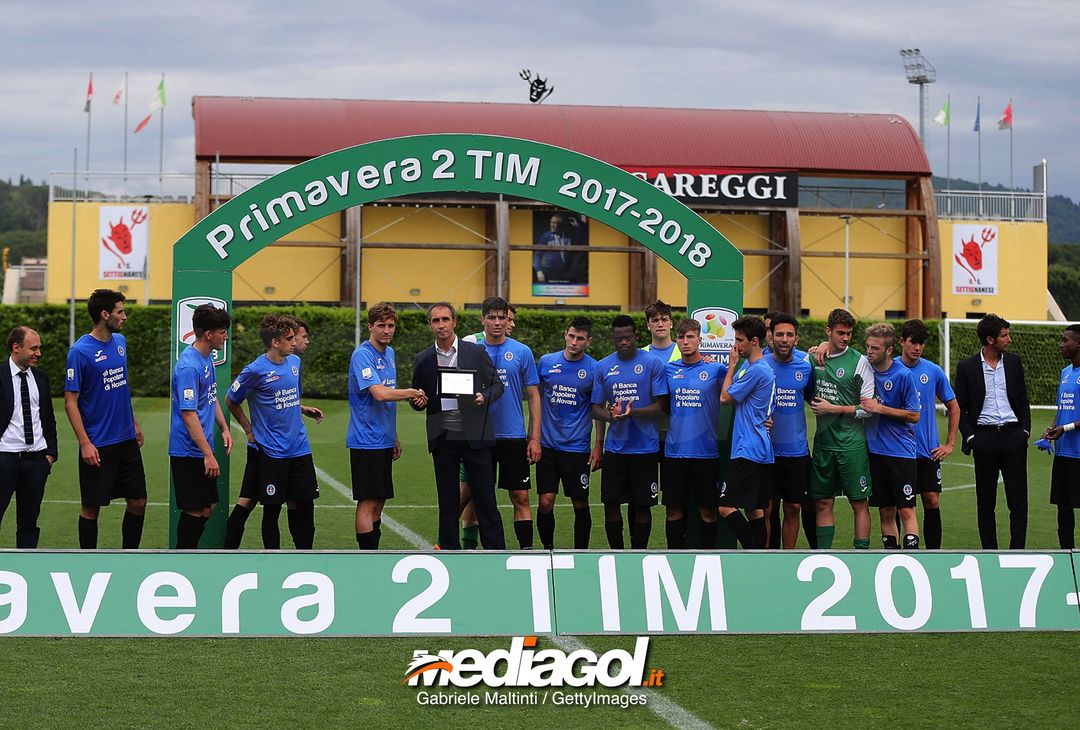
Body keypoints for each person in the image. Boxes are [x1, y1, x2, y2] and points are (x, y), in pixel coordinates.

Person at [411, 302, 506, 550]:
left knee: (485, 497)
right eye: (435, 321)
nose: (441, 325)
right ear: (430, 325)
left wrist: (484, 397)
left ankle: (497, 553)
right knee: (448, 500)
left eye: (445, 319)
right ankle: (451, 554)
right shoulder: (422, 359)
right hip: (443, 433)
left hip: (475, 432)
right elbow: (418, 399)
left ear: (454, 322)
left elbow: (497, 385)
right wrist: (418, 402)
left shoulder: (475, 351)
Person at [226, 314, 320, 550]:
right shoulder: (255, 370)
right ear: (275, 342)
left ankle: (306, 558)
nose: (294, 342)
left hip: (299, 448)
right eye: (289, 338)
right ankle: (273, 561)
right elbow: (230, 400)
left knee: (305, 506)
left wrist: (303, 409)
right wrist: (248, 429)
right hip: (272, 452)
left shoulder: (295, 363)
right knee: (272, 509)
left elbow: (288, 399)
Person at [65, 289, 146, 550]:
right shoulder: (79, 352)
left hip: (126, 440)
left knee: (138, 501)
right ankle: (89, 561)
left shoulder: (120, 342)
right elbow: (70, 402)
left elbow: (121, 386)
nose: (124, 316)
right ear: (104, 314)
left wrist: (133, 423)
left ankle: (128, 557)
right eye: (120, 311)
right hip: (98, 444)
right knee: (91, 508)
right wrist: (85, 443)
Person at [348, 303, 424, 549]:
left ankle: (373, 554)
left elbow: (387, 398)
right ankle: (367, 555)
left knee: (379, 500)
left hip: (383, 438)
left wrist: (394, 436)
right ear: (370, 326)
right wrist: (411, 392)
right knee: (368, 502)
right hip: (365, 439)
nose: (386, 330)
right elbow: (380, 394)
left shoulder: (389, 354)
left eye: (391, 325)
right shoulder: (363, 355)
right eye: (381, 325)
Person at [591, 315, 668, 549]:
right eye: (618, 338)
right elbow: (595, 408)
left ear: (636, 336)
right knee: (611, 504)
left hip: (645, 449)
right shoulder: (603, 366)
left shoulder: (653, 363)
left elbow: (663, 406)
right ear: (613, 339)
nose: (623, 342)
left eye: (627, 337)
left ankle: (638, 554)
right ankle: (617, 553)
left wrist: (633, 413)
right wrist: (611, 417)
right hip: (615, 449)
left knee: (642, 506)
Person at [954, 313, 1031, 549]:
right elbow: (960, 408)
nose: (1009, 339)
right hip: (984, 439)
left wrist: (1025, 431)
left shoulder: (1014, 362)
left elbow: (1022, 399)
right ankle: (990, 552)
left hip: (1013, 437)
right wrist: (971, 437)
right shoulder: (966, 367)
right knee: (986, 502)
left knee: (1018, 501)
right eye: (1004, 336)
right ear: (990, 339)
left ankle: (1017, 551)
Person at [806, 308, 875, 550]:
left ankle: (861, 555)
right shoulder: (813, 360)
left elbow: (868, 408)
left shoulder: (859, 362)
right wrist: (818, 347)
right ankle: (824, 555)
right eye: (840, 333)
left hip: (851, 446)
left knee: (859, 503)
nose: (845, 338)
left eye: (848, 334)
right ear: (829, 332)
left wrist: (832, 408)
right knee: (823, 503)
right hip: (824, 445)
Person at [536, 316, 604, 549]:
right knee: (545, 502)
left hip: (576, 448)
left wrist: (598, 445)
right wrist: (532, 438)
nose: (574, 342)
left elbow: (598, 409)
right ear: (566, 334)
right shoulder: (546, 362)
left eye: (580, 339)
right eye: (572, 336)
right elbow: (536, 401)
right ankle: (548, 551)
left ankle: (580, 553)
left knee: (580, 502)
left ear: (588, 341)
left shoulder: (595, 368)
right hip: (547, 445)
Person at [169, 305, 233, 549]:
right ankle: (183, 558)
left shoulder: (206, 358)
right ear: (208, 334)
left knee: (208, 506)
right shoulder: (188, 366)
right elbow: (188, 413)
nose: (225, 336)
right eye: (222, 332)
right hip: (188, 450)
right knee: (195, 509)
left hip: (202, 447)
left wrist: (224, 427)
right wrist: (207, 454)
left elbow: (210, 395)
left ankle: (188, 552)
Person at [897, 319, 960, 549]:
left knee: (931, 500)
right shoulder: (889, 368)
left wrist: (950, 444)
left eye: (921, 343)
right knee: (900, 504)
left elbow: (954, 406)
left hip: (928, 451)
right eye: (913, 342)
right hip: (898, 452)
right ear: (902, 341)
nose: (918, 348)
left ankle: (934, 555)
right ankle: (893, 552)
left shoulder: (932, 371)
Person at [664, 318, 726, 548]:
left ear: (700, 339)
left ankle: (707, 557)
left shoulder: (716, 369)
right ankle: (674, 557)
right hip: (674, 452)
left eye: (690, 337)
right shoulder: (669, 370)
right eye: (681, 337)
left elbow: (738, 393)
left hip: (706, 453)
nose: (685, 341)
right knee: (673, 510)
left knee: (708, 510)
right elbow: (662, 404)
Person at [862, 323, 921, 550]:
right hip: (875, 452)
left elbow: (914, 415)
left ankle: (912, 557)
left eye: (875, 348)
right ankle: (891, 557)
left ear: (888, 351)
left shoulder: (903, 375)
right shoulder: (865, 368)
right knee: (885, 511)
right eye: (868, 347)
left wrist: (880, 409)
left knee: (906, 510)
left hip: (901, 453)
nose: (869, 352)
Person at [718, 316, 775, 549]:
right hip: (759, 448)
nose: (735, 345)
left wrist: (731, 367)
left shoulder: (756, 370)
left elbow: (725, 398)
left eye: (739, 340)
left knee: (725, 506)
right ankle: (759, 555)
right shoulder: (756, 368)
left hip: (749, 449)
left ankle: (752, 554)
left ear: (754, 341)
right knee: (754, 510)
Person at [0, 327, 57, 548]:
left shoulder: (41, 378)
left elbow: (49, 418)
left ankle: (27, 568)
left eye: (39, 348)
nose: (39, 353)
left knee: (29, 522)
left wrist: (50, 454)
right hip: (5, 459)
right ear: (16, 348)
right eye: (33, 348)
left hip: (36, 461)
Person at [763, 313, 816, 549]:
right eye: (779, 334)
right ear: (771, 337)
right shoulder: (760, 365)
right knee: (766, 507)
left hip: (796, 452)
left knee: (794, 506)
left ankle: (789, 556)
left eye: (789, 335)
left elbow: (813, 397)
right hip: (765, 451)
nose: (784, 339)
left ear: (796, 338)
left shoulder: (806, 366)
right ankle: (765, 557)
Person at [1044, 324, 1080, 549]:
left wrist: (1064, 429)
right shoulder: (1065, 373)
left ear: (1078, 343)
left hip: (1079, 453)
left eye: (1065, 340)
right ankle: (1066, 552)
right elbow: (1062, 408)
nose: (1061, 344)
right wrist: (1051, 428)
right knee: (1063, 506)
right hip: (1063, 451)